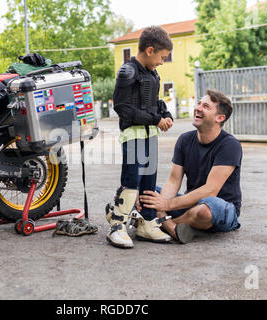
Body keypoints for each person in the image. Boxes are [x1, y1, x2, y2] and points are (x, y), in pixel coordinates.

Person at [140, 89, 242, 244]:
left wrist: (167, 205)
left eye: (206, 106)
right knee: (143, 191)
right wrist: (161, 202)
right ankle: (176, 226)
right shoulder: (185, 140)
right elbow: (173, 181)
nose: (198, 108)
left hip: (220, 208)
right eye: (199, 103)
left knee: (205, 209)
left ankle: (163, 224)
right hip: (189, 203)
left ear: (220, 118)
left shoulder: (230, 145)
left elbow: (211, 190)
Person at [105, 26, 175, 249]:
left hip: (150, 136)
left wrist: (166, 114)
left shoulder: (153, 73)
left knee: (149, 182)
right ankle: (117, 225)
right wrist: (155, 119)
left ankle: (146, 223)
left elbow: (157, 102)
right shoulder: (128, 71)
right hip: (133, 135)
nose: (162, 62)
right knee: (132, 180)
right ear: (150, 50)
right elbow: (123, 108)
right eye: (161, 57)